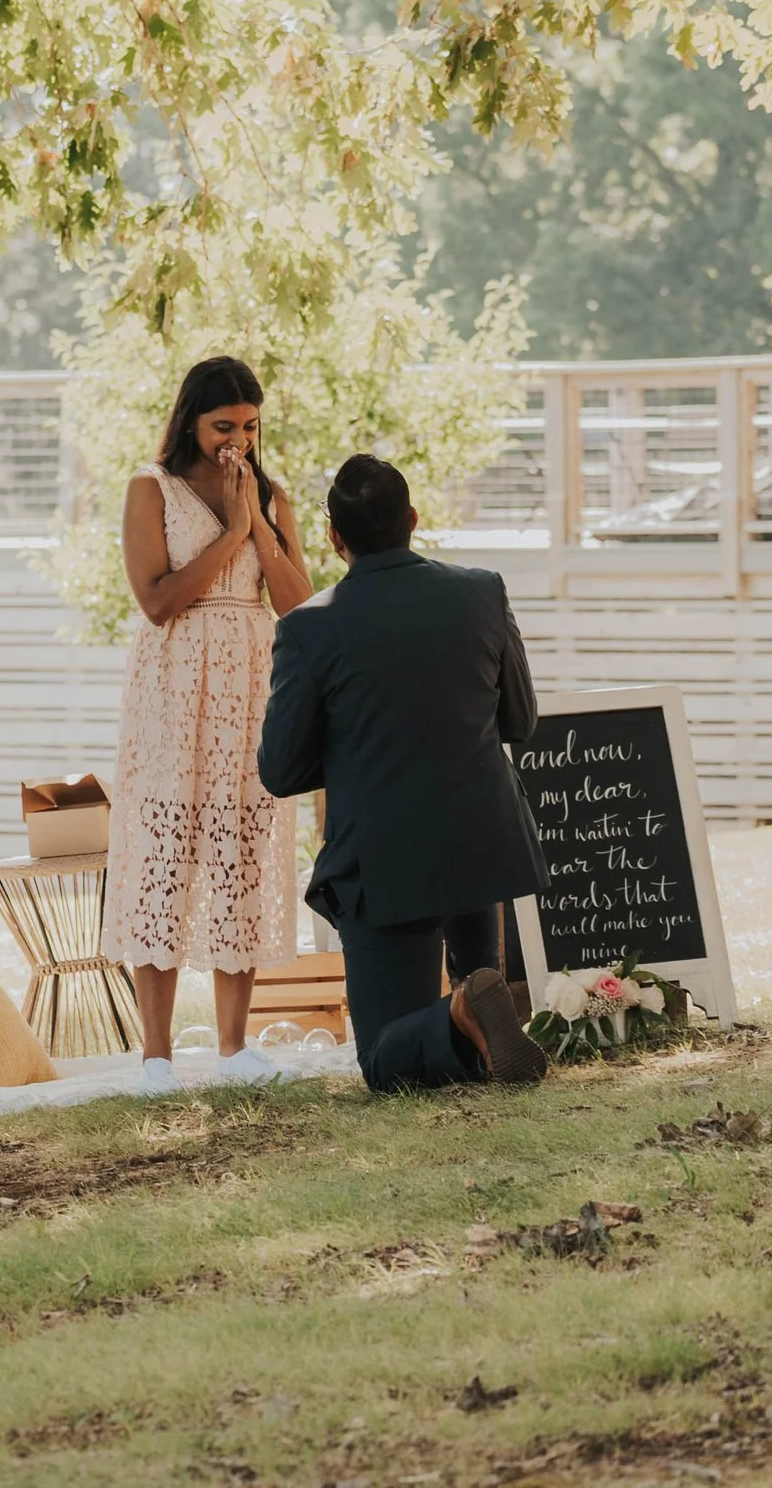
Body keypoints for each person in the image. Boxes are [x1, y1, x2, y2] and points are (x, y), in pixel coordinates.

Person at [257, 453, 550, 1090]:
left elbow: (280, 771)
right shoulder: (483, 590)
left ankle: (465, 1008)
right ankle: (477, 1010)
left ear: (335, 538)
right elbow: (521, 719)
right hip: (481, 841)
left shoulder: (308, 628)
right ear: (413, 519)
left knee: (384, 1062)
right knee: (476, 987)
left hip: (383, 861)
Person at [103, 356, 315, 1094]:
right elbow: (158, 600)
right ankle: (156, 1057)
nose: (239, 441)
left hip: (248, 689)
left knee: (242, 853)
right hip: (171, 691)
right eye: (224, 425)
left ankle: (234, 1047)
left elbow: (297, 603)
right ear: (191, 419)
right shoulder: (149, 489)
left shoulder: (270, 494)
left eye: (251, 427)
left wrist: (256, 518)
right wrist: (229, 534)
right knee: (165, 853)